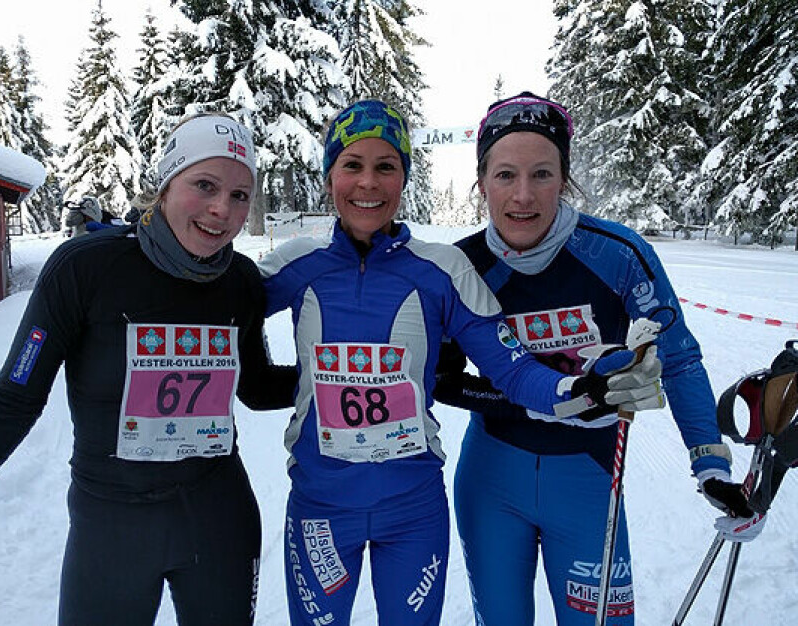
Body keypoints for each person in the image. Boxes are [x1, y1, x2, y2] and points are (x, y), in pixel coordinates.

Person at [0, 113, 296, 626]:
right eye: (204, 185)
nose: (222, 210)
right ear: (166, 183)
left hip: (219, 519)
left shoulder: (240, 282)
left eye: (240, 195)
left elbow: (257, 389)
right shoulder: (85, 267)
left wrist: (338, 377)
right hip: (112, 528)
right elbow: (12, 402)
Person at [257, 99, 664, 626]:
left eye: (386, 166)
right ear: (330, 174)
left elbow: (511, 367)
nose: (368, 183)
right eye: (352, 165)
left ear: (404, 177)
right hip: (321, 505)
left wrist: (581, 390)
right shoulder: (296, 262)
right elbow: (211, 304)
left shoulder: (441, 268)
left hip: (412, 511)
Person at [432, 91, 762, 626]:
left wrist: (710, 463)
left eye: (541, 174)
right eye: (504, 175)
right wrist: (531, 403)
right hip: (492, 478)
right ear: (481, 182)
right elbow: (441, 380)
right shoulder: (461, 266)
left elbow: (677, 358)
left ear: (564, 178)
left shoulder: (615, 253)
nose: (523, 196)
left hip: (586, 479)